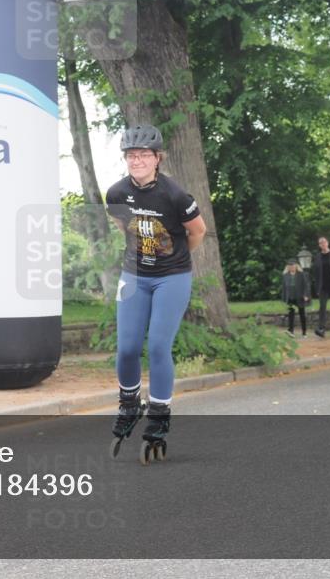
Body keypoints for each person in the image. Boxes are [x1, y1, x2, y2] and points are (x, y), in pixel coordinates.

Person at [105, 124, 207, 462]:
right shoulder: (117, 193)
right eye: (131, 155)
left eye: (143, 155)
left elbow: (197, 233)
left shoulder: (176, 195)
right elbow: (124, 228)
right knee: (127, 348)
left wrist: (173, 258)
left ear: (157, 158)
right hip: (134, 274)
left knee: (159, 346)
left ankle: (159, 419)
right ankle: (129, 404)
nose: (136, 160)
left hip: (171, 277)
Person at [281, 258, 310, 337]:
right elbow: (284, 287)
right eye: (290, 265)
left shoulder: (301, 274)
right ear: (288, 267)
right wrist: (284, 298)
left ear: (296, 266)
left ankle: (304, 332)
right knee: (291, 315)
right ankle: (291, 331)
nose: (292, 267)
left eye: (293, 265)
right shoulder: (285, 275)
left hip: (300, 297)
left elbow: (306, 286)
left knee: (302, 314)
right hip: (290, 297)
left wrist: (305, 295)